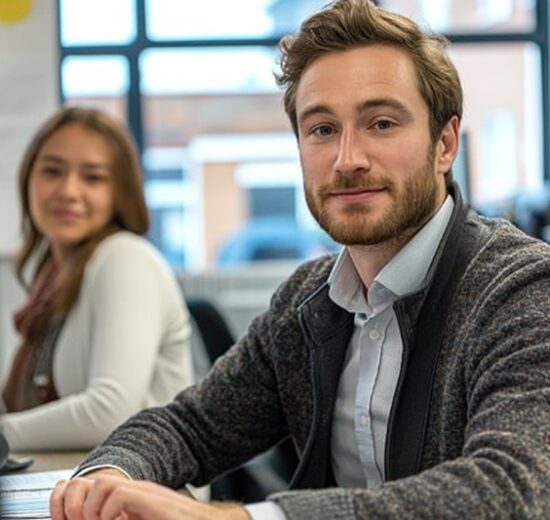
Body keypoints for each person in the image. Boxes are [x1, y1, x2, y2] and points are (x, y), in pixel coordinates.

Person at [50, 1, 550, 519]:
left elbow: (511, 490)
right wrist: (106, 477)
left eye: (380, 123)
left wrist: (244, 518)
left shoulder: (524, 290)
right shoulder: (306, 302)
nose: (348, 159)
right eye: (322, 130)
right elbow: (192, 426)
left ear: (445, 143)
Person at [0, 107, 194, 451]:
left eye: (93, 177)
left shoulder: (124, 258)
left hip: (152, 493)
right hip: (79, 481)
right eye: (52, 171)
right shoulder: (53, 276)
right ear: (28, 178)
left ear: (120, 192)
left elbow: (109, 412)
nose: (68, 191)